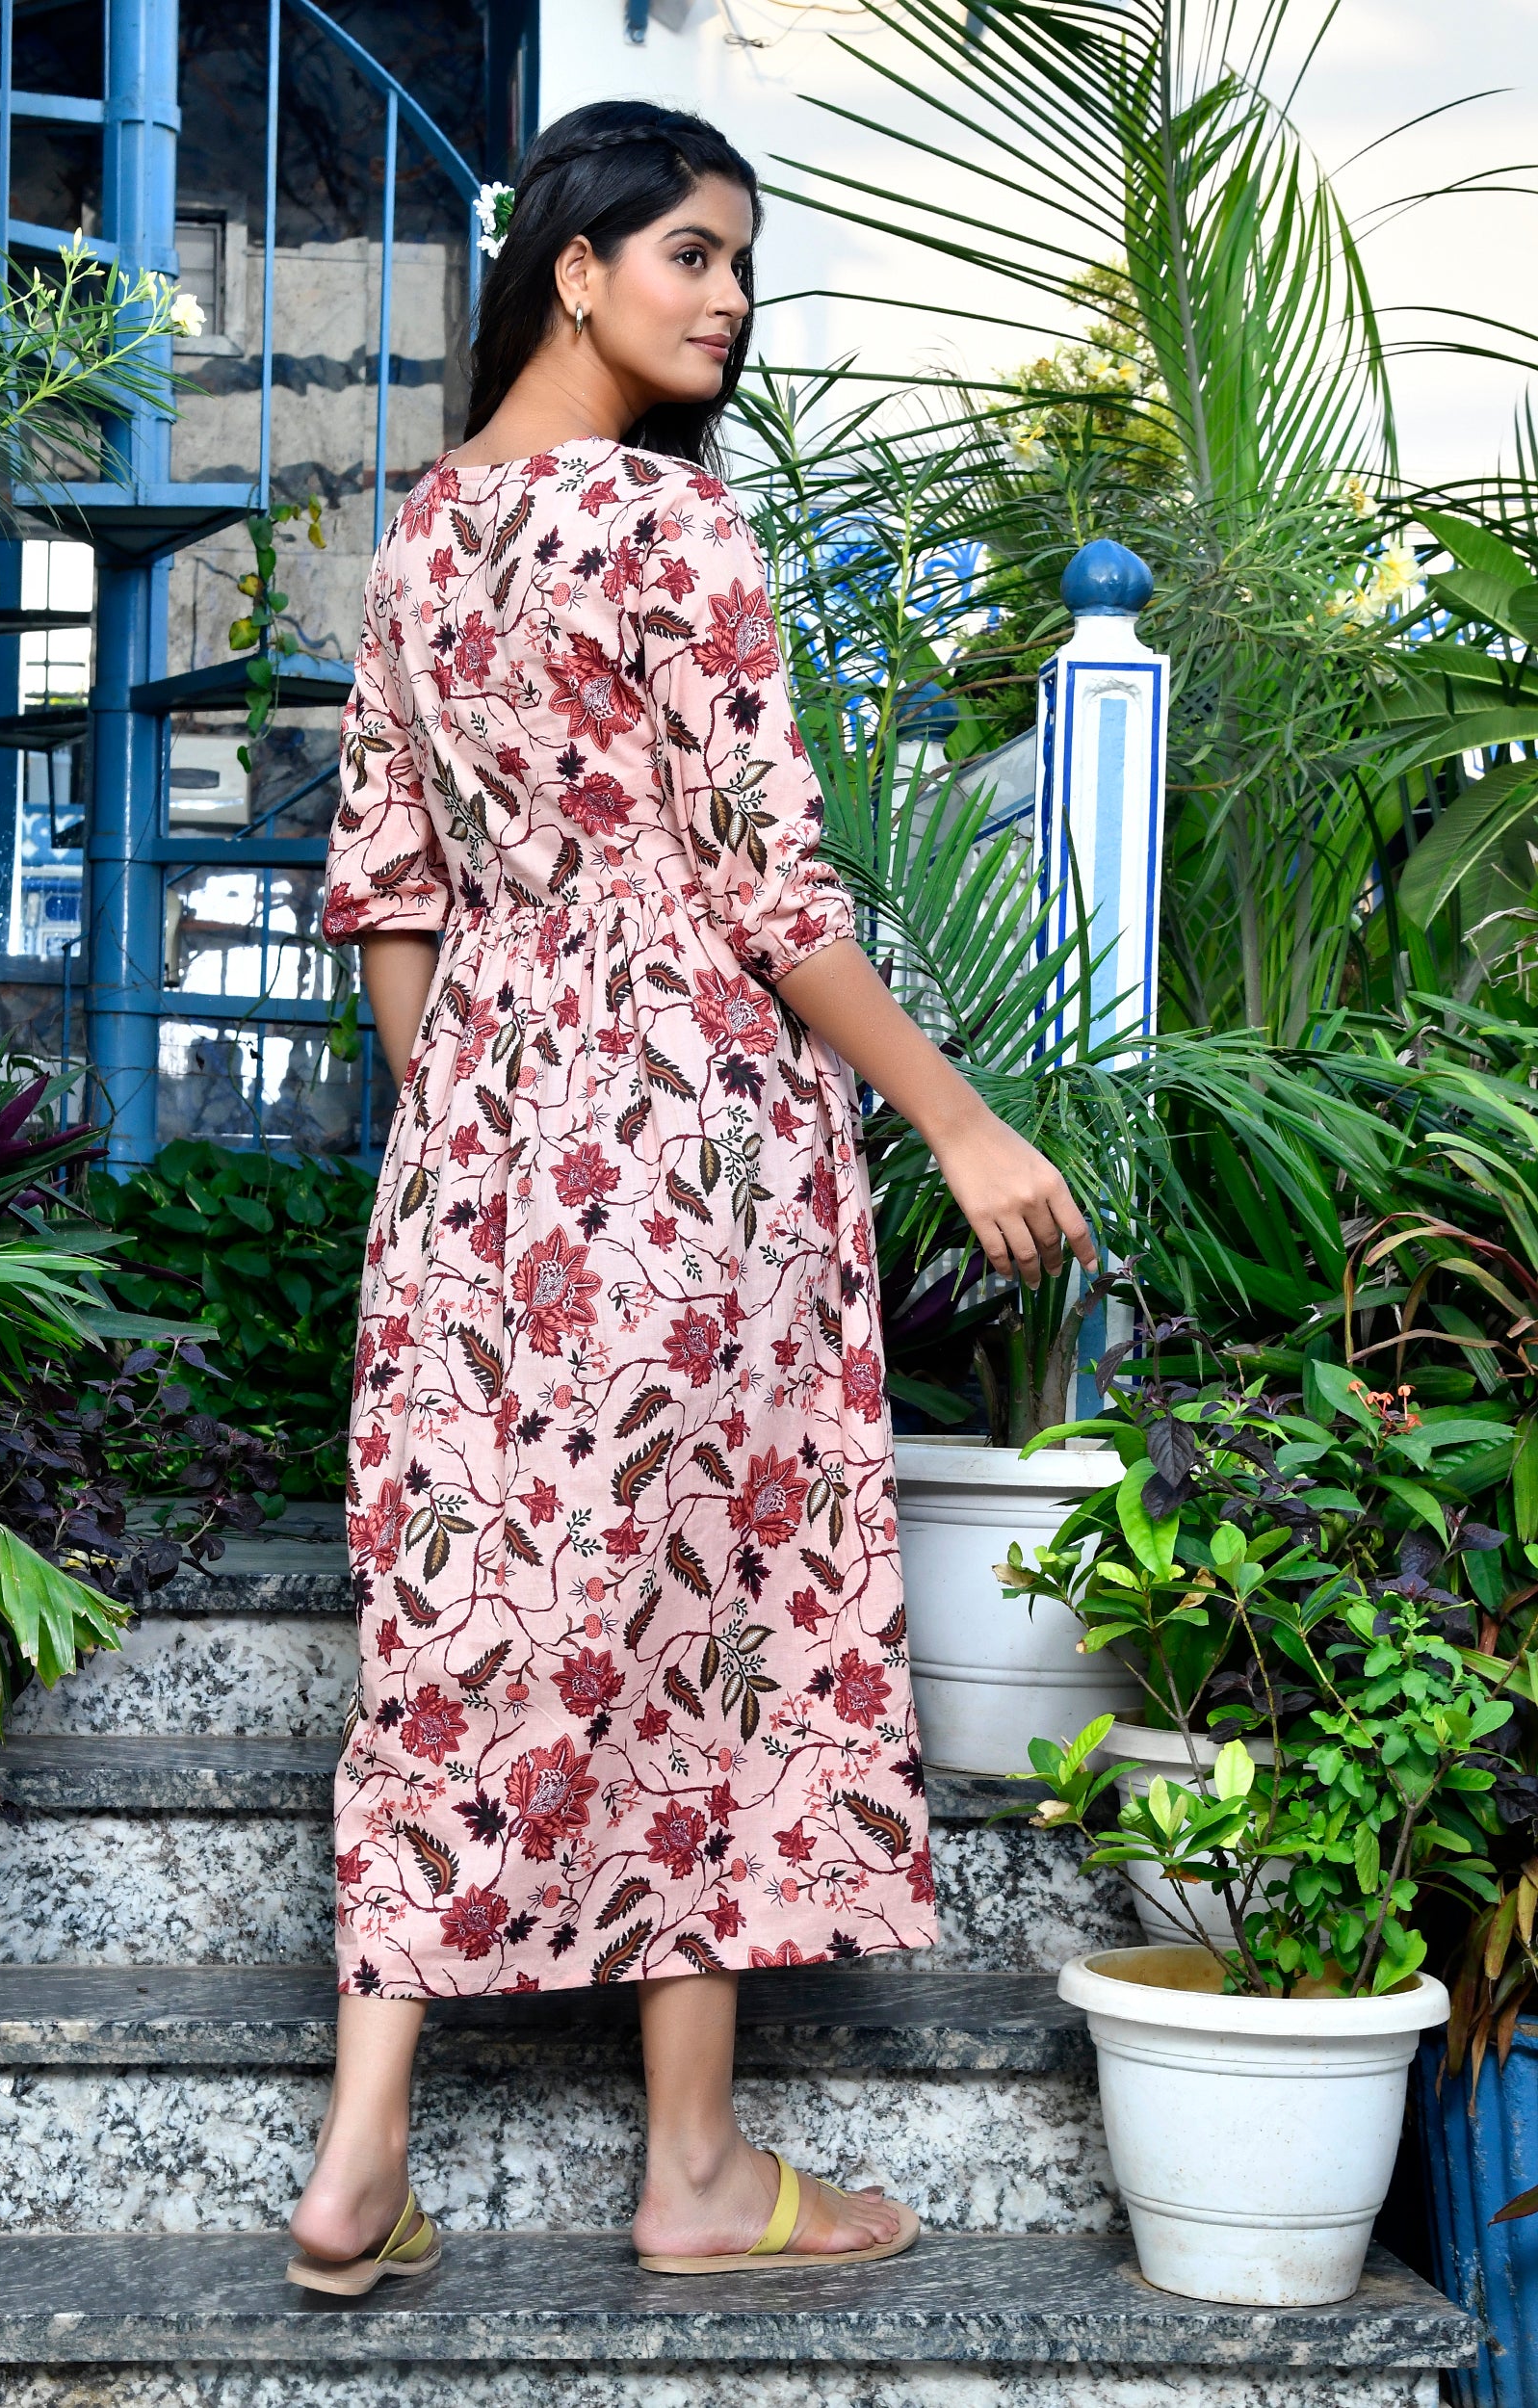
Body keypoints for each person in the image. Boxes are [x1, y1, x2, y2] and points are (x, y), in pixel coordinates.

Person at [287, 98, 1095, 2294]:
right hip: (696, 1138)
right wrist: (953, 1117)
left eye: (743, 263)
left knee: (462, 1616)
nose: (730, 297)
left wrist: (474, 1128)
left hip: (473, 1145)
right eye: (694, 255)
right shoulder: (672, 531)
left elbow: (386, 897)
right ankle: (701, 2171)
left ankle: (359, 2154)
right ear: (573, 264)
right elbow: (770, 887)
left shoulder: (426, 540)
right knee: (712, 1615)